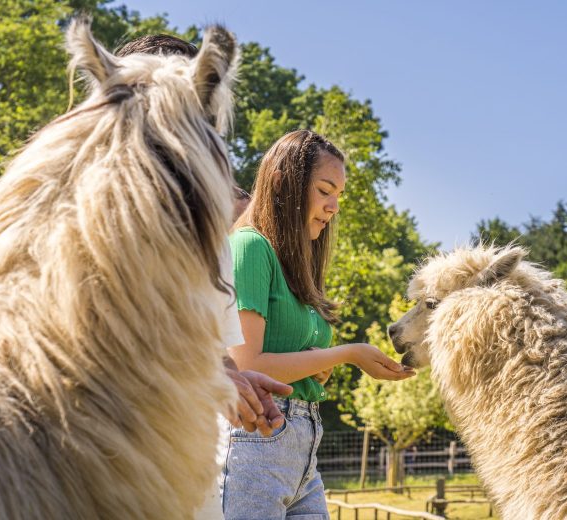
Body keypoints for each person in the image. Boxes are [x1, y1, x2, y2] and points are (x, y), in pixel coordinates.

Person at [114, 34, 291, 520]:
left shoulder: (216, 240)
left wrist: (236, 384)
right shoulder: (75, 217)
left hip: (185, 481)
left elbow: (218, 354)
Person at [222, 130, 415, 519]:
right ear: (283, 183)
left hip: (304, 451)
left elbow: (288, 359)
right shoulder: (249, 247)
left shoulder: (296, 267)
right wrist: (347, 355)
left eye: (338, 195)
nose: (333, 207)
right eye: (325, 190)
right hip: (256, 442)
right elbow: (248, 365)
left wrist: (317, 367)